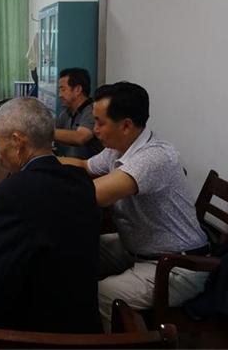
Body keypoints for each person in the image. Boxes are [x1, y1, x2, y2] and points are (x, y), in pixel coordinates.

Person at [0, 97, 102, 333]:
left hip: (28, 330)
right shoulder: (82, 183)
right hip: (81, 325)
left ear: (17, 142)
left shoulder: (8, 196)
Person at [60, 81, 209, 329]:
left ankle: (111, 340)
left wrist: (35, 188)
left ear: (126, 125)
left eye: (100, 122)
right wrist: (41, 162)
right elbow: (84, 166)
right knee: (72, 250)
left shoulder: (154, 158)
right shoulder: (118, 148)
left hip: (175, 265)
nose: (95, 129)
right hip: (138, 247)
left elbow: (94, 195)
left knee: (101, 294)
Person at [54, 67, 102, 159]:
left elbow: (80, 137)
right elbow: (54, 128)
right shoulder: (66, 113)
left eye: (63, 90)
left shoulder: (92, 111)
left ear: (77, 90)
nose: (60, 95)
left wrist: (44, 133)